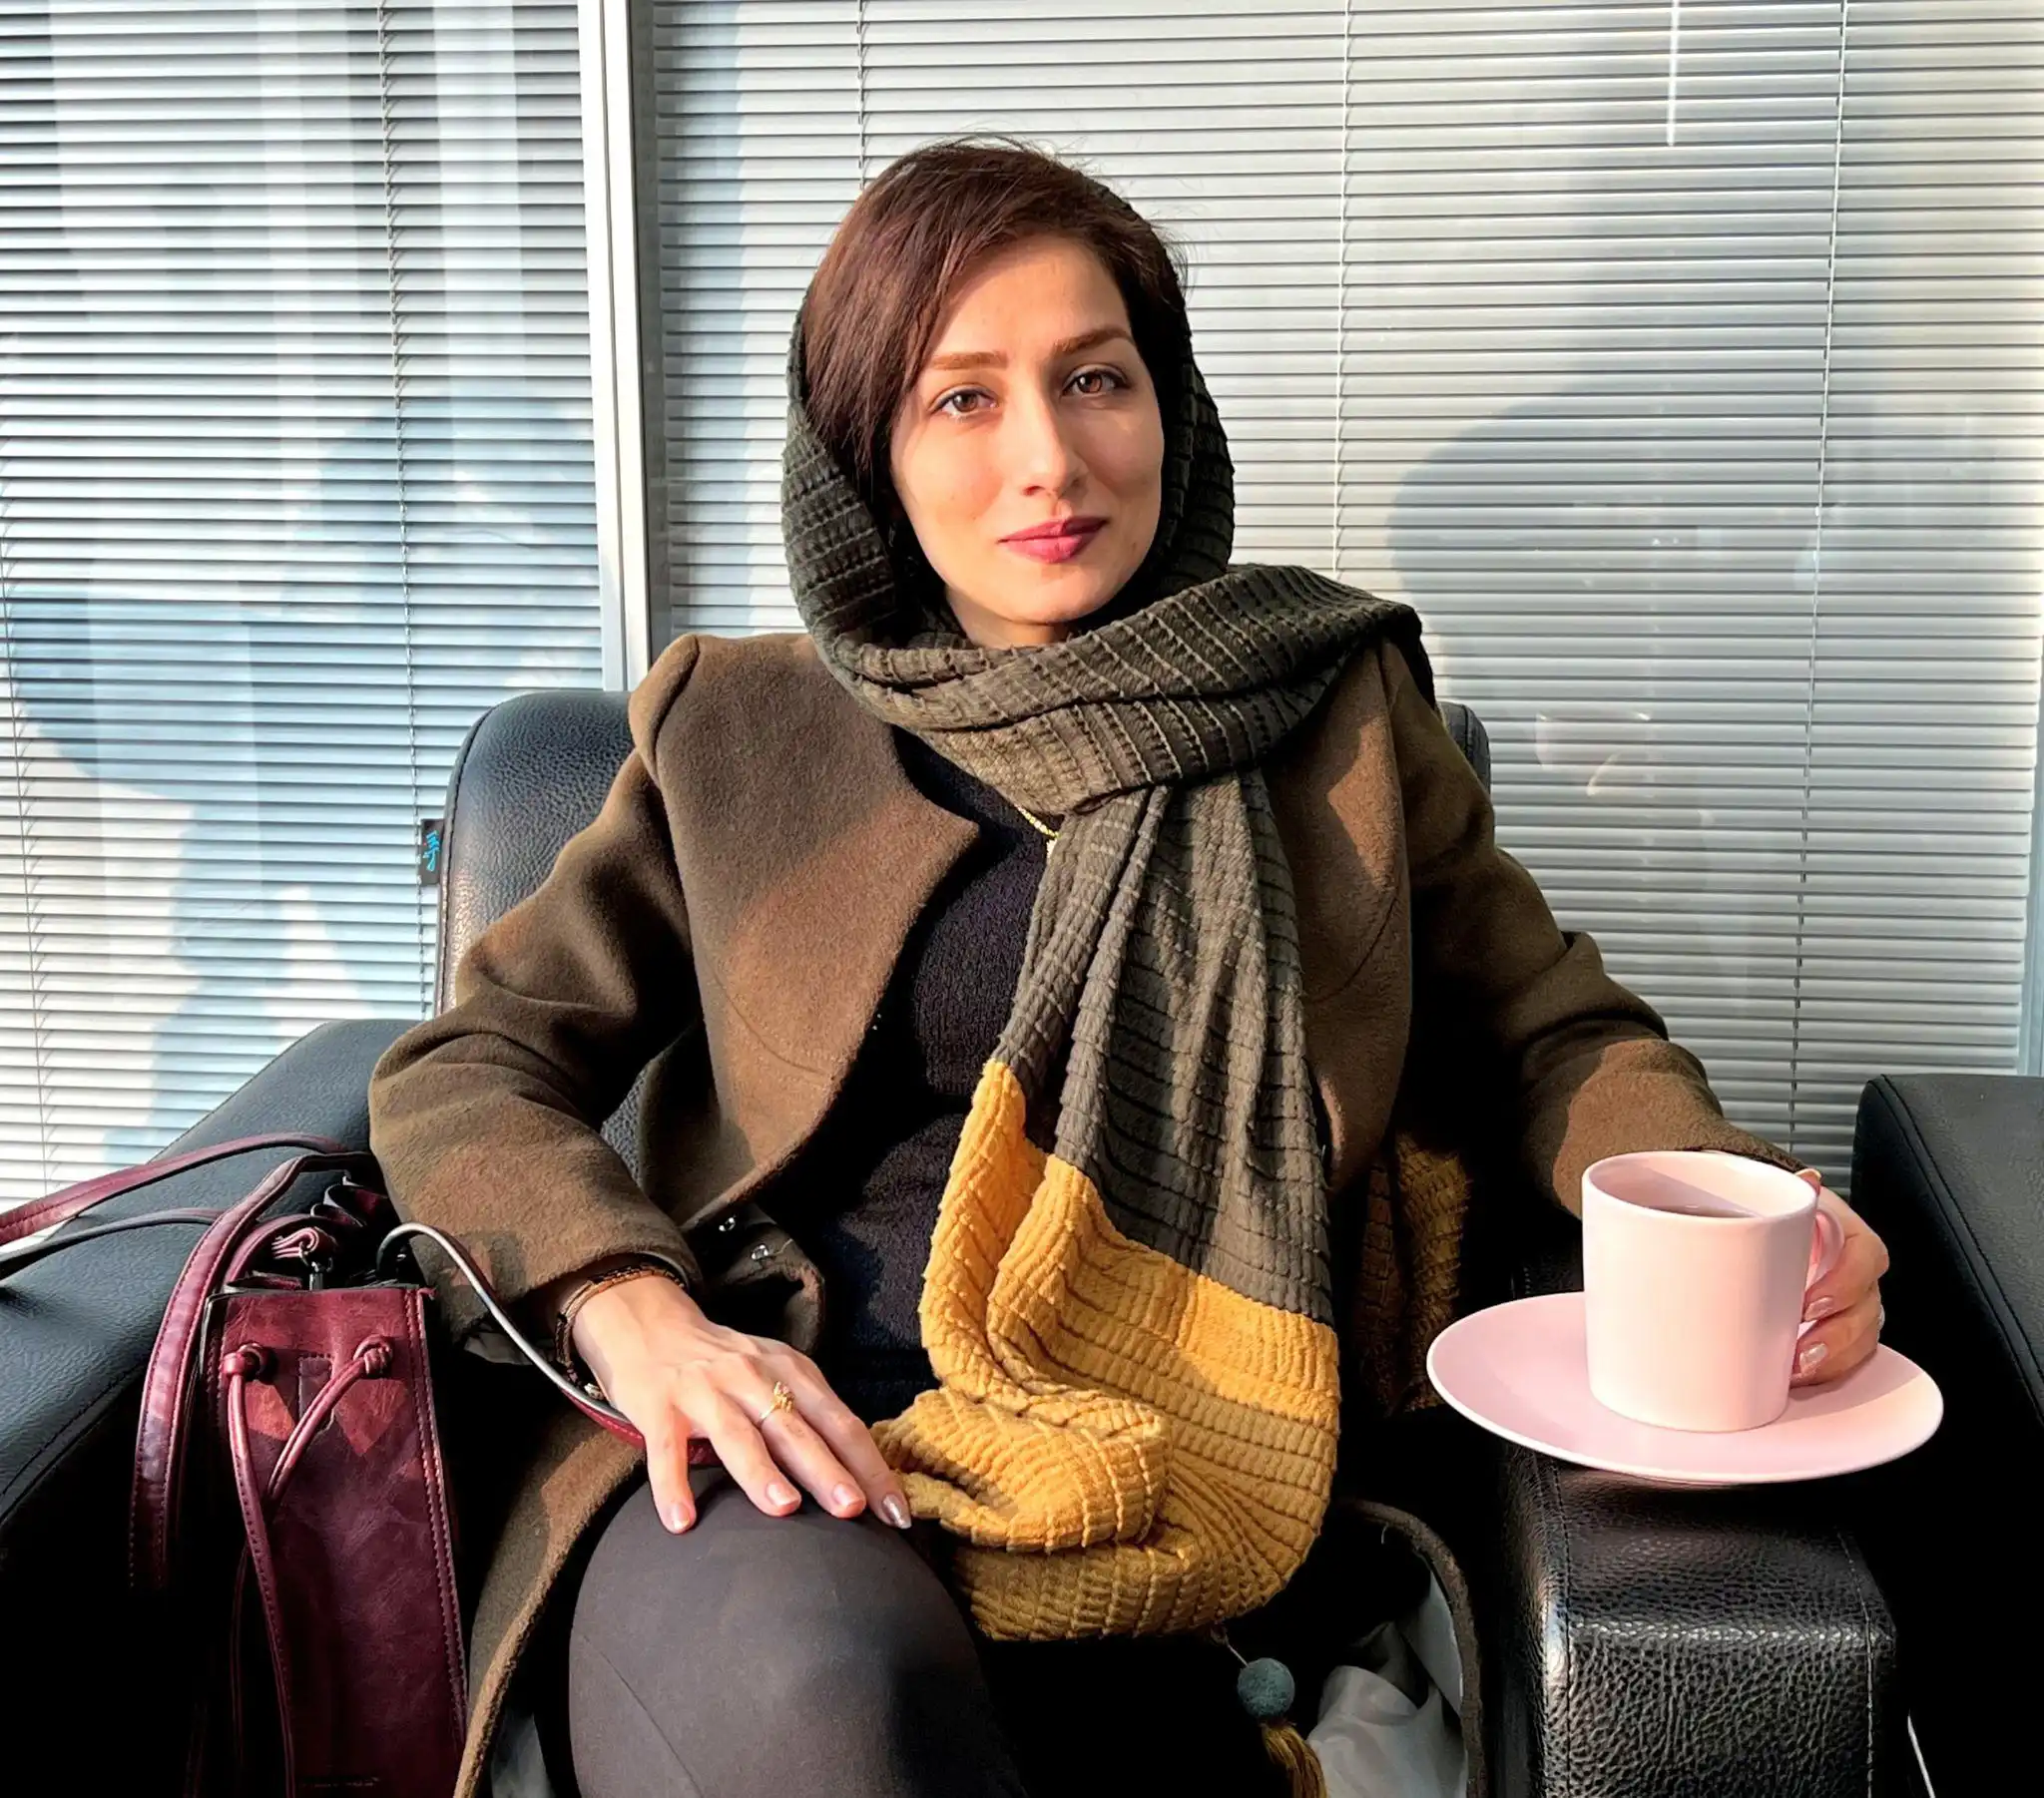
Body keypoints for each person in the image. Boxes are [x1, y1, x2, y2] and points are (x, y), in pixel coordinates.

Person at [367, 138, 1890, 1798]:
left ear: (1169, 404)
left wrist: (1758, 1226)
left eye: (1096, 377)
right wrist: (634, 1310)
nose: (1050, 457)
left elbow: (1553, 1031)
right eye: (963, 398)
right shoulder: (736, 729)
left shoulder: (1333, 707)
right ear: (867, 453)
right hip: (793, 1452)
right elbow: (471, 1066)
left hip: (1201, 1456)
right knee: (831, 1694)